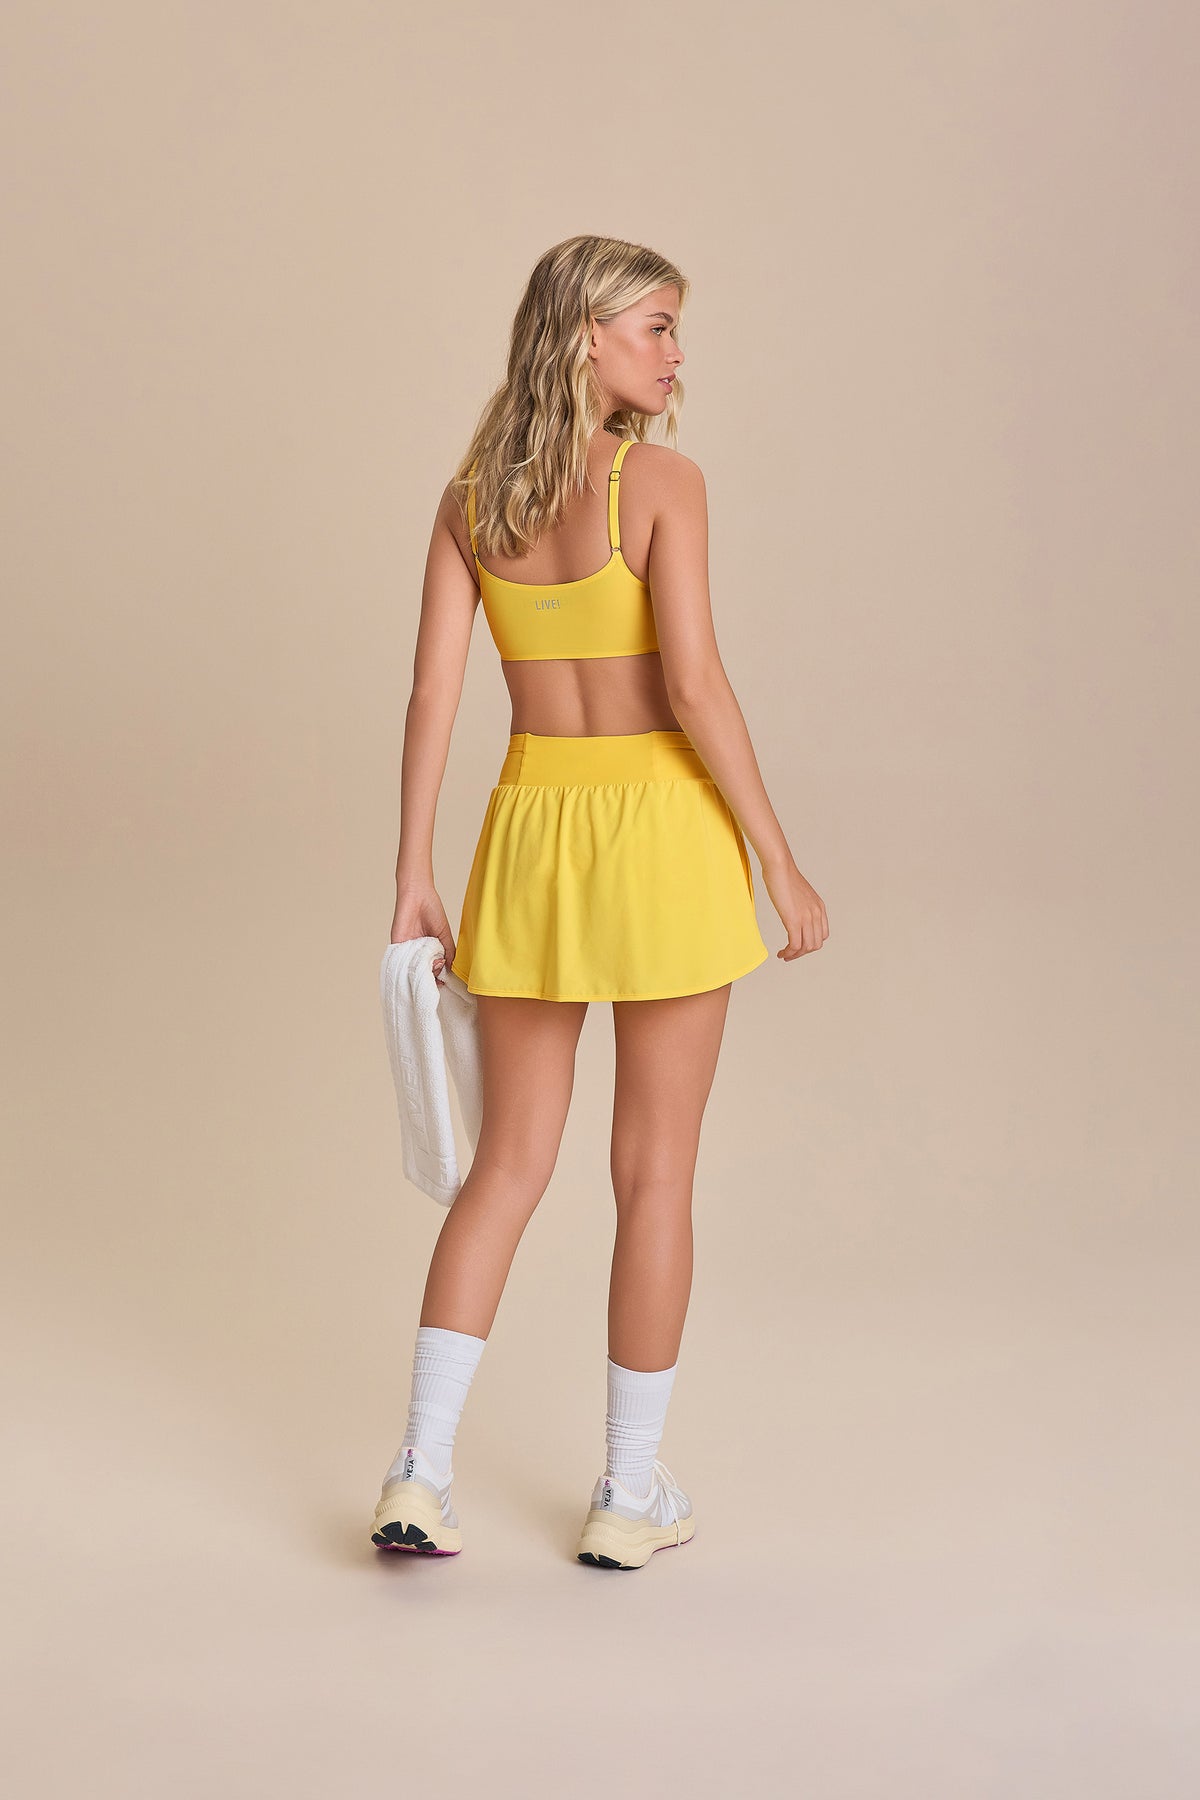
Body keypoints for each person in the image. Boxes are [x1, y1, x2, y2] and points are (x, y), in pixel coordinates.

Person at [370, 234, 828, 1570]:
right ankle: (630, 1495)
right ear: (586, 337)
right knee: (655, 1170)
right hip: (664, 831)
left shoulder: (470, 502)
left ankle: (417, 1474)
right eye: (657, 327)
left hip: (531, 830)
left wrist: (414, 870)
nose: (677, 353)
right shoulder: (663, 483)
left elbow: (435, 695)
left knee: (506, 1167)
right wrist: (777, 857)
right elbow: (693, 684)